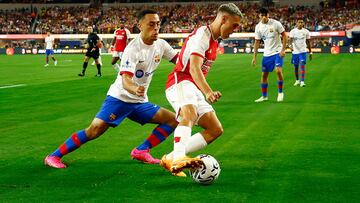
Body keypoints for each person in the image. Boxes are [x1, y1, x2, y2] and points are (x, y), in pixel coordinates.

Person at [45, 10, 179, 169]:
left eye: (157, 24)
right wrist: (135, 89)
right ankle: (54, 156)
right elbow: (125, 80)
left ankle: (141, 150)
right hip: (120, 98)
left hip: (139, 102)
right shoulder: (133, 49)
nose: (156, 28)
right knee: (94, 130)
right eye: (151, 24)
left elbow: (180, 61)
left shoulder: (161, 45)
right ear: (140, 26)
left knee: (173, 120)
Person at [160, 3, 242, 175]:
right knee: (189, 114)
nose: (235, 29)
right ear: (223, 19)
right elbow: (194, 69)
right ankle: (179, 159)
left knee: (215, 129)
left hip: (192, 87)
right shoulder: (201, 36)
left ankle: (170, 157)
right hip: (180, 81)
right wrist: (208, 92)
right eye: (234, 25)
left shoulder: (213, 39)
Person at [252, 8, 287, 102]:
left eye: (265, 15)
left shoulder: (276, 23)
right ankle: (264, 96)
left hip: (277, 52)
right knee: (264, 75)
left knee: (278, 71)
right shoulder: (258, 27)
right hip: (267, 54)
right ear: (259, 16)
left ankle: (280, 93)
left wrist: (283, 50)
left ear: (268, 15)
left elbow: (284, 35)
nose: (263, 17)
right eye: (261, 15)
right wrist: (254, 57)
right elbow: (257, 42)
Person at [289, 19, 312, 87]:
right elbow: (290, 40)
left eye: (301, 22)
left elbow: (308, 42)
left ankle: (302, 81)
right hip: (295, 52)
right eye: (299, 22)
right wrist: (290, 46)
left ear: (303, 23)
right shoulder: (293, 31)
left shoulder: (306, 31)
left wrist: (310, 52)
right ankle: (297, 80)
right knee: (296, 67)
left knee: (302, 65)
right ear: (296, 23)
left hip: (303, 51)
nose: (300, 23)